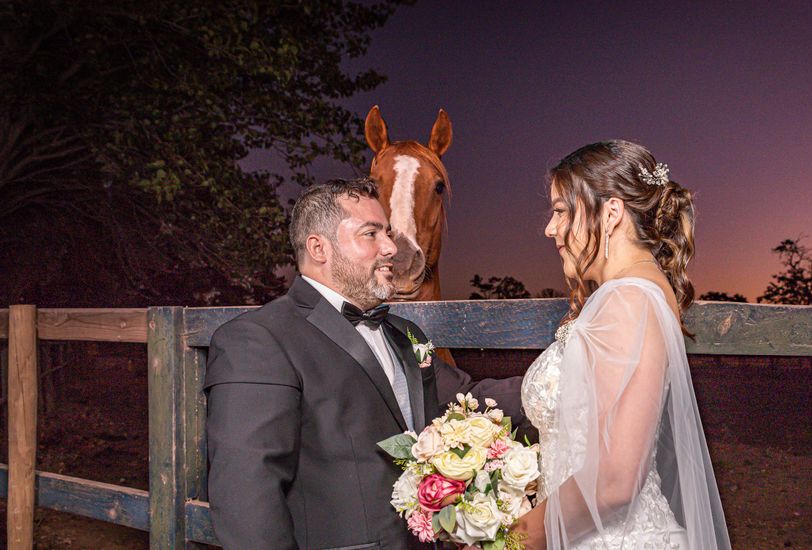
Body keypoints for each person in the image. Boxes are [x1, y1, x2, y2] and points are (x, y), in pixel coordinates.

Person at [204, 178, 527, 550]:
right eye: (371, 234)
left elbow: (466, 398)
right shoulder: (258, 339)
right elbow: (246, 495)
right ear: (319, 247)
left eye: (386, 232)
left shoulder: (405, 333)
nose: (391, 247)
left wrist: (564, 377)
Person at [513, 141, 730, 548]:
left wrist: (514, 538)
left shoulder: (628, 299)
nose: (549, 228)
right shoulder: (638, 293)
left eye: (560, 211)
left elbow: (615, 480)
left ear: (611, 213)